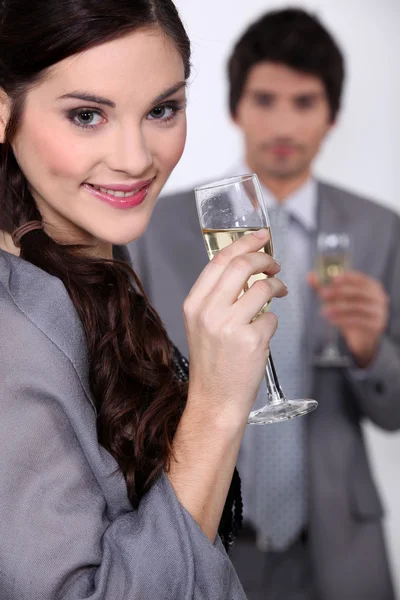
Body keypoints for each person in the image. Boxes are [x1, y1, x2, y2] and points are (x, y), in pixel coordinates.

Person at [0, 0, 290, 598]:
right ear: (4, 114)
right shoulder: (13, 327)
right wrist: (214, 405)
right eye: (87, 115)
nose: (136, 160)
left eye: (162, 109)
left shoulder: (96, 257)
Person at [128, 8, 400, 600]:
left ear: (332, 115)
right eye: (265, 99)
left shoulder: (380, 231)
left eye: (304, 102)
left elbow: (394, 412)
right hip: (202, 542)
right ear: (234, 107)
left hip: (339, 551)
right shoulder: (153, 229)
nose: (283, 122)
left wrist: (370, 349)